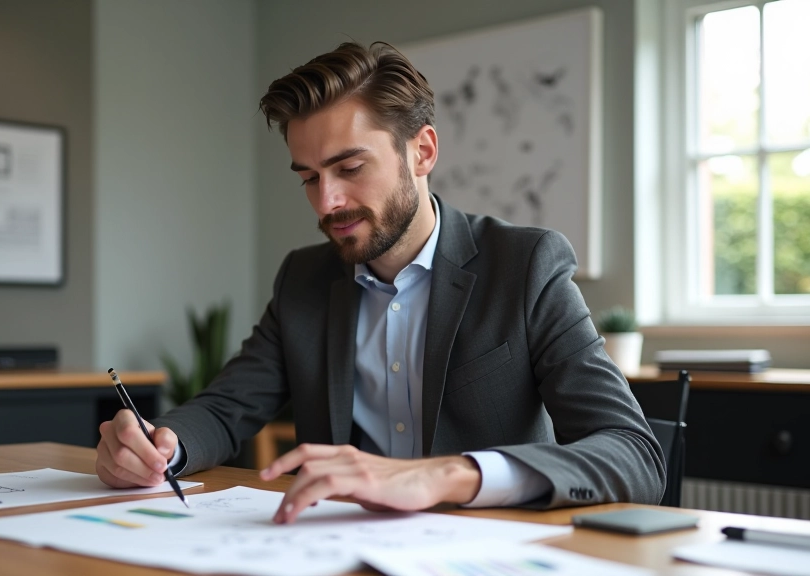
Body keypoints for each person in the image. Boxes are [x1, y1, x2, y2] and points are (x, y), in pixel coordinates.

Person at [96, 42, 665, 524]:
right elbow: (225, 409)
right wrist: (161, 445)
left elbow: (635, 455)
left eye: (349, 168)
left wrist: (447, 474)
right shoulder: (305, 278)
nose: (328, 202)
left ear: (422, 151)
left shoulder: (525, 265)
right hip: (340, 547)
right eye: (310, 178)